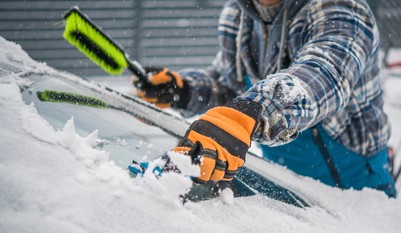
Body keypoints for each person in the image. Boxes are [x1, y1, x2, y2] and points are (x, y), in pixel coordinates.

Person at [132, 0, 397, 198]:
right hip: (283, 176)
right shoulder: (237, 16)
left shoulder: (341, 9)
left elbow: (323, 73)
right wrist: (184, 89)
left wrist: (251, 111)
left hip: (355, 184)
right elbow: (229, 85)